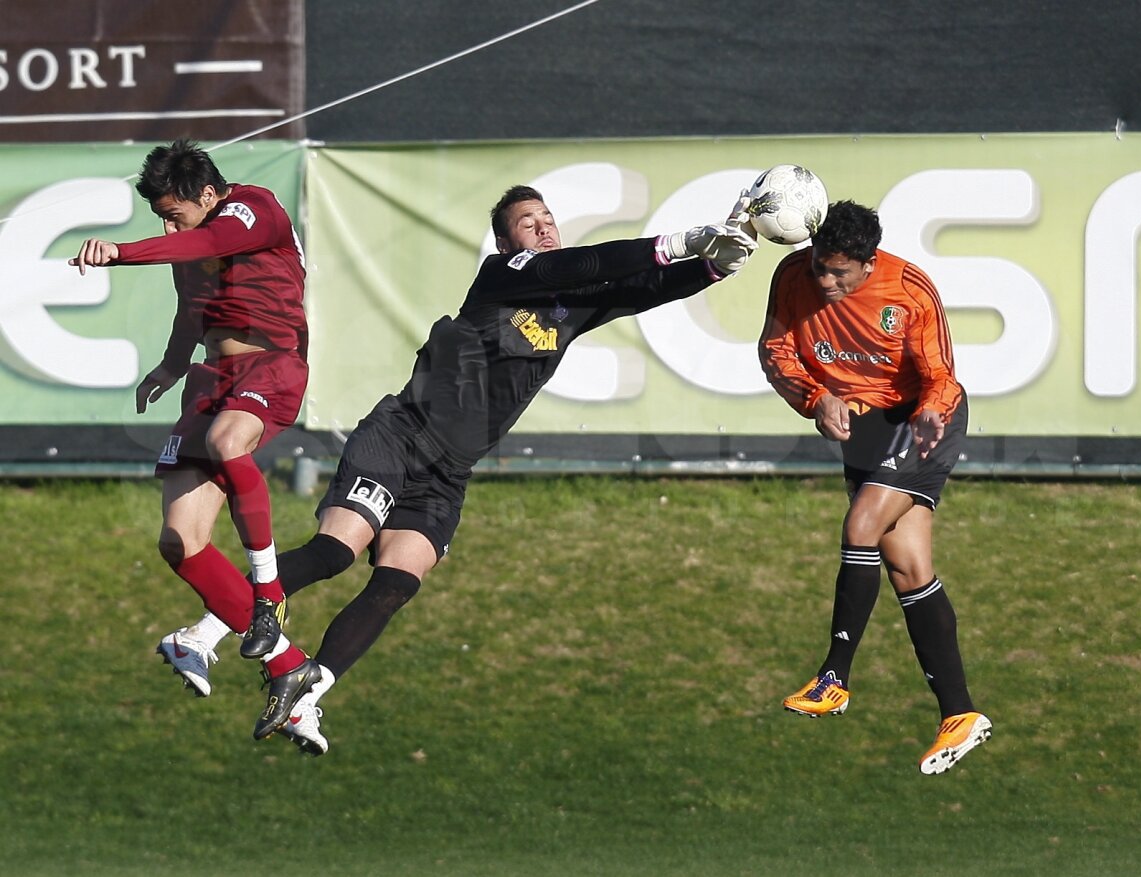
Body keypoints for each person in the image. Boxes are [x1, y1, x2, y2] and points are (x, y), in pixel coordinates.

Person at [158, 184, 758, 751]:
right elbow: (588, 265)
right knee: (336, 552)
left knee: (396, 582)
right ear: (504, 244)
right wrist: (679, 241)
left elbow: (640, 287)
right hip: (400, 436)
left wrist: (714, 265)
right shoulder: (503, 277)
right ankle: (204, 632)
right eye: (528, 222)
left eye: (548, 218)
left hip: (449, 470)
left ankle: (307, 694)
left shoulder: (571, 309)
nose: (543, 227)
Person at [70, 139, 317, 733]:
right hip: (211, 380)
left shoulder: (253, 209)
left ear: (208, 193)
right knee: (180, 542)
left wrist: (121, 253)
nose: (166, 222)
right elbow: (192, 310)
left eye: (171, 211)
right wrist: (169, 365)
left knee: (231, 442)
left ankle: (268, 592)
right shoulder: (191, 238)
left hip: (271, 366)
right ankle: (290, 667)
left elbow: (211, 241)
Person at [757, 200, 990, 775]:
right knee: (908, 567)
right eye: (820, 267)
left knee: (861, 525)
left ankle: (835, 674)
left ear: (869, 263)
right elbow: (775, 350)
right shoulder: (792, 276)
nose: (827, 281)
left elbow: (941, 376)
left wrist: (933, 412)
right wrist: (816, 400)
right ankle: (959, 713)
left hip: (921, 421)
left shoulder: (909, 290)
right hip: (863, 429)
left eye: (840, 272)